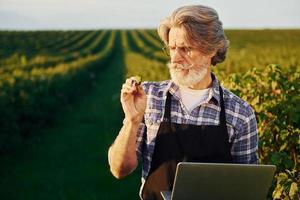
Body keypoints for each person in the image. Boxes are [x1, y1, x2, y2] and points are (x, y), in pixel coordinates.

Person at [108, 4, 258, 200]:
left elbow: (248, 188)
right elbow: (120, 170)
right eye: (172, 48)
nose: (176, 58)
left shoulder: (240, 114)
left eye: (186, 49)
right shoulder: (151, 97)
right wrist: (132, 120)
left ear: (211, 49)